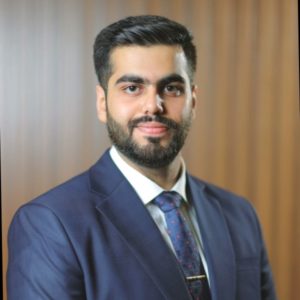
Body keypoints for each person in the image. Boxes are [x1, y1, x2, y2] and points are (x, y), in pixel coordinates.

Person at [7, 15, 277, 300]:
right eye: (132, 88)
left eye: (171, 88)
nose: (153, 105)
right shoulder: (50, 224)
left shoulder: (239, 215)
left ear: (193, 101)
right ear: (103, 103)